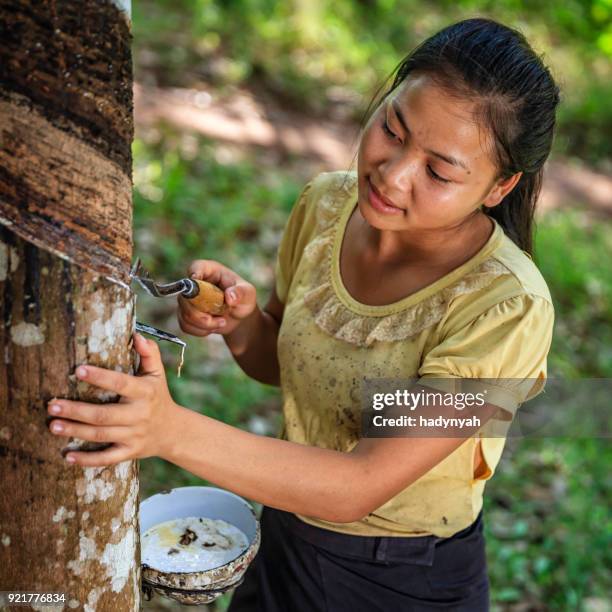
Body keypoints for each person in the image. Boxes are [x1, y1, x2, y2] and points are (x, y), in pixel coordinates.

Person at [46, 17, 560, 611]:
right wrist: (241, 327)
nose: (392, 175)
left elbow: (357, 486)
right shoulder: (329, 206)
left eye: (439, 171)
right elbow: (290, 367)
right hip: (285, 535)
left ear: (499, 187)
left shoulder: (503, 308)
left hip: (399, 582)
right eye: (392, 130)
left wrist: (169, 429)